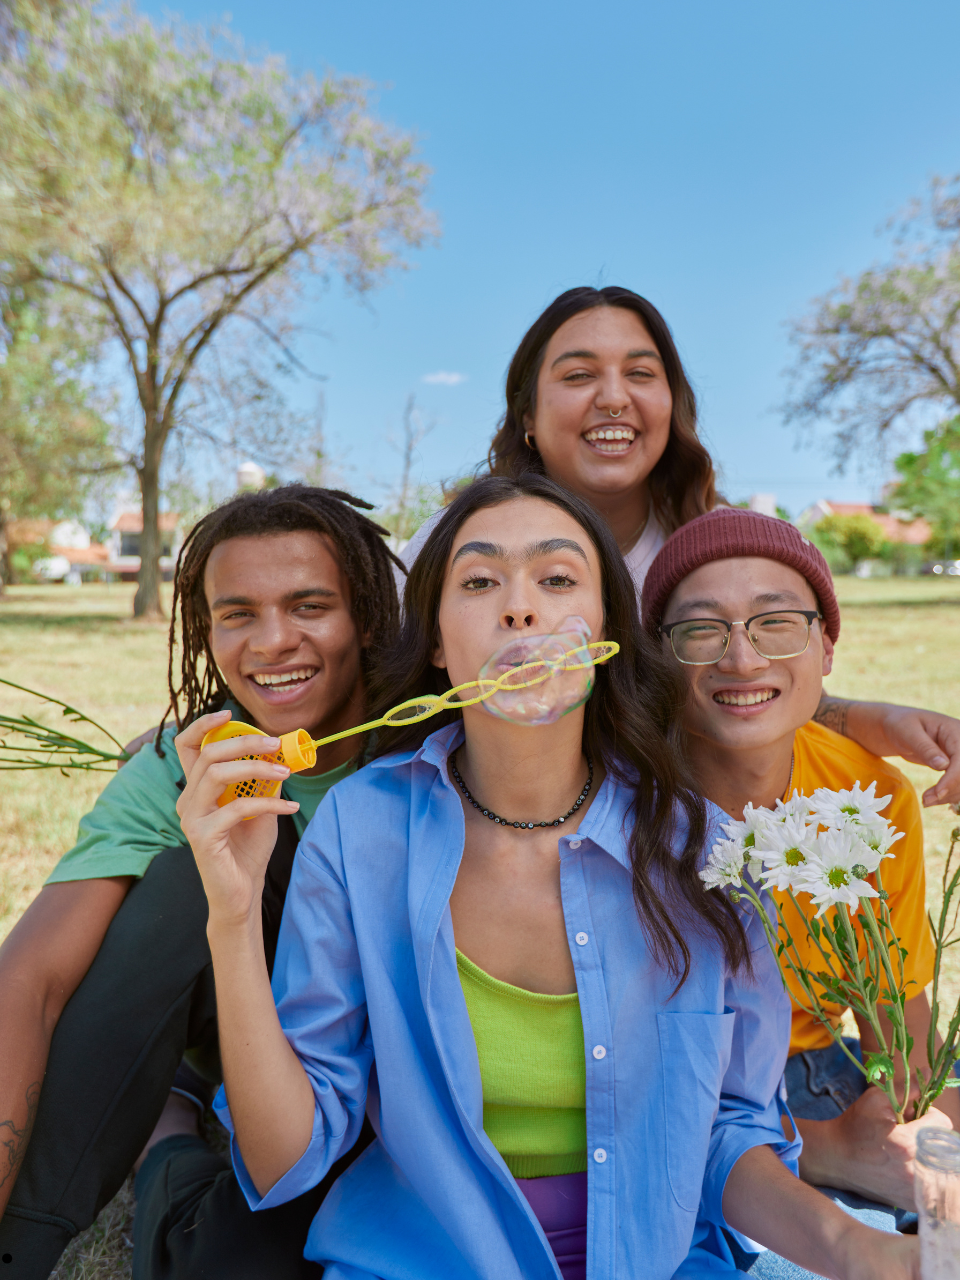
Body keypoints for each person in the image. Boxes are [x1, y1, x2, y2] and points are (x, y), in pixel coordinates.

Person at [176, 473, 918, 1279]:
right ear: (436, 641)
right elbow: (286, 1158)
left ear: (604, 632)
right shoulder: (361, 829)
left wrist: (856, 1251)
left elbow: (724, 1134)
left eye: (557, 578)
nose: (520, 608)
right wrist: (232, 914)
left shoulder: (702, 847)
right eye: (481, 581)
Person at [0, 485, 402, 1279]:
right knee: (199, 861)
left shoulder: (431, 747)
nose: (272, 642)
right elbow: (32, 979)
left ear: (368, 616)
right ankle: (140, 1158)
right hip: (262, 1041)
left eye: (310, 605)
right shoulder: (187, 766)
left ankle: (172, 1130)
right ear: (205, 629)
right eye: (237, 613)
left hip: (399, 1071)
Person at [402, 285, 960, 809]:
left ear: (673, 404)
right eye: (578, 375)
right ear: (527, 414)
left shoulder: (718, 553)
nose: (614, 397)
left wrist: (873, 720)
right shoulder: (452, 545)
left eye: (641, 373)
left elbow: (754, 684)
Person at [640, 506, 955, 1276]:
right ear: (659, 661)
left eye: (776, 623)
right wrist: (831, 1148)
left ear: (826, 647)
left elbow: (897, 1013)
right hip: (675, 1103)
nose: (741, 658)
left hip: (820, 1071)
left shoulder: (866, 793)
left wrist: (914, 1129)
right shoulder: (629, 803)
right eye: (701, 631)